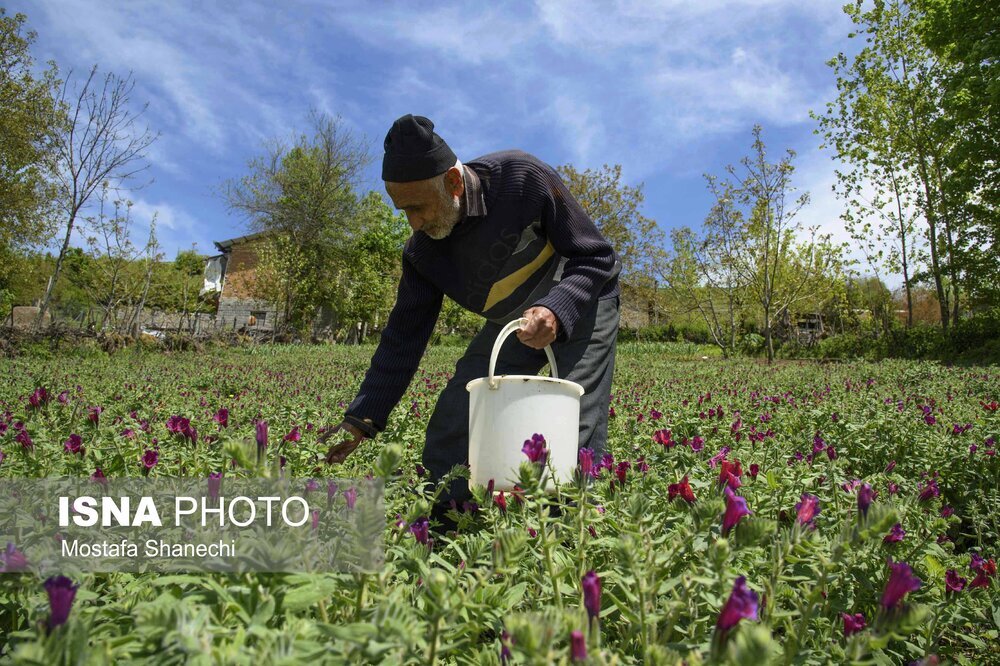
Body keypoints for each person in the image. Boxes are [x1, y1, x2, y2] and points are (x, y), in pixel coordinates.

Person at [320, 114, 621, 528]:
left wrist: (556, 308)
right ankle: (448, 526)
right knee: (457, 419)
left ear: (454, 183)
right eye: (403, 210)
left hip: (583, 303)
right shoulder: (422, 255)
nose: (414, 223)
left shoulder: (522, 179)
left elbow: (597, 255)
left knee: (572, 420)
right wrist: (361, 418)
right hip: (512, 320)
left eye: (418, 207)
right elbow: (403, 338)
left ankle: (567, 536)